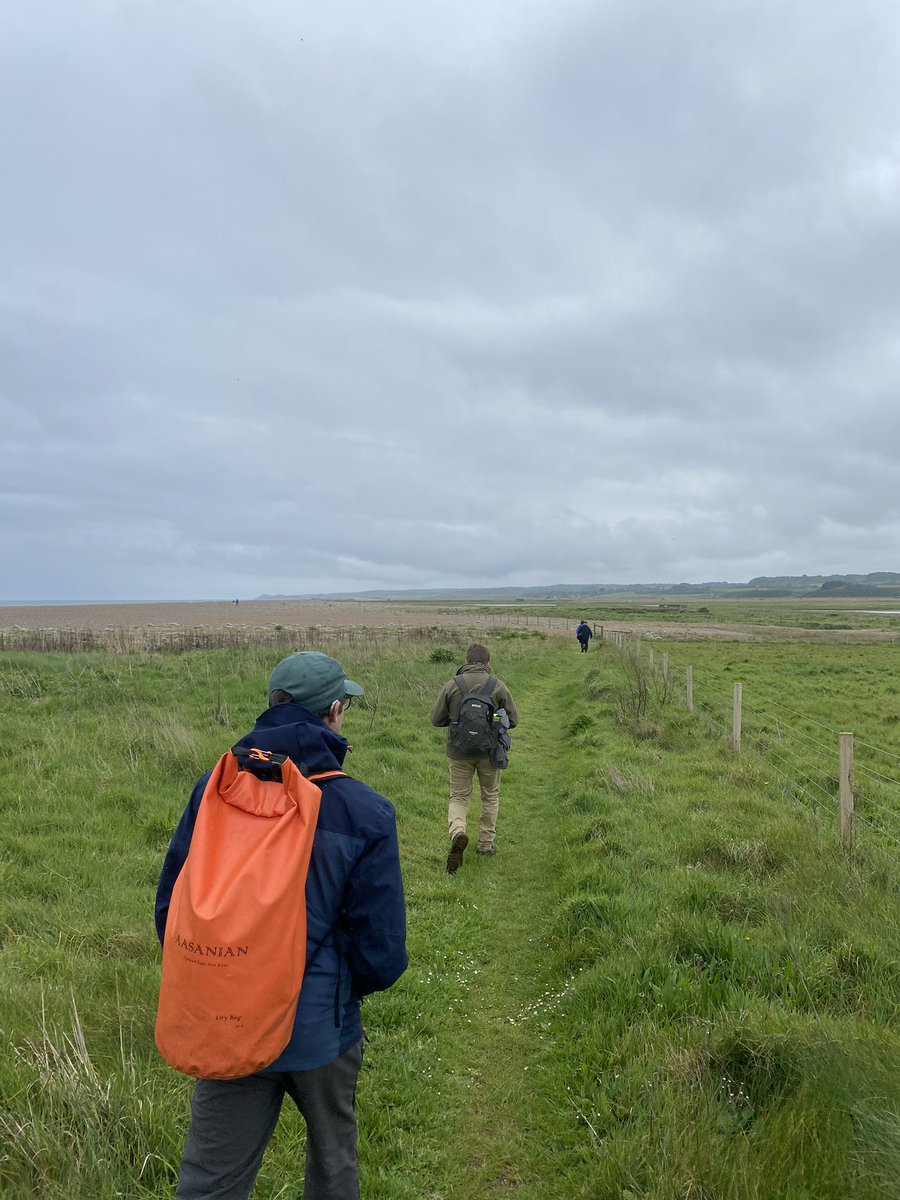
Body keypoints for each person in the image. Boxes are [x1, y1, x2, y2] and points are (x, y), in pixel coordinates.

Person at [156, 650, 408, 1200]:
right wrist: (341, 992)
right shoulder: (364, 811)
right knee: (332, 1163)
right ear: (335, 710)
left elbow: (168, 912)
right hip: (320, 1027)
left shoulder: (214, 791)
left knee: (209, 1181)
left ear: (271, 706)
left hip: (228, 1018)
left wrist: (225, 973)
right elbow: (382, 953)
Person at [430, 644, 519, 872]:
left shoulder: (453, 685)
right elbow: (514, 719)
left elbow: (436, 719)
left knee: (458, 797)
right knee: (490, 796)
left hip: (458, 753)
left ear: (467, 660)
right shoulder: (497, 685)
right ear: (487, 662)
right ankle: (486, 845)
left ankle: (458, 832)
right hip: (490, 752)